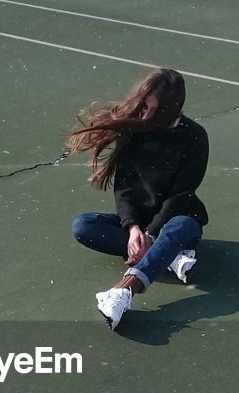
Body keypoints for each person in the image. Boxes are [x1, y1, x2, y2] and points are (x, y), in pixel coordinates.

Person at [66, 68, 210, 330]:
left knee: (180, 227)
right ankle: (167, 256)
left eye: (150, 108)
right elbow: (124, 189)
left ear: (170, 108)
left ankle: (123, 291)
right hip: (141, 225)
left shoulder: (195, 137)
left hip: (177, 220)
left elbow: (181, 195)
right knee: (83, 225)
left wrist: (152, 233)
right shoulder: (138, 130)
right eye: (141, 105)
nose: (142, 113)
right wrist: (133, 229)